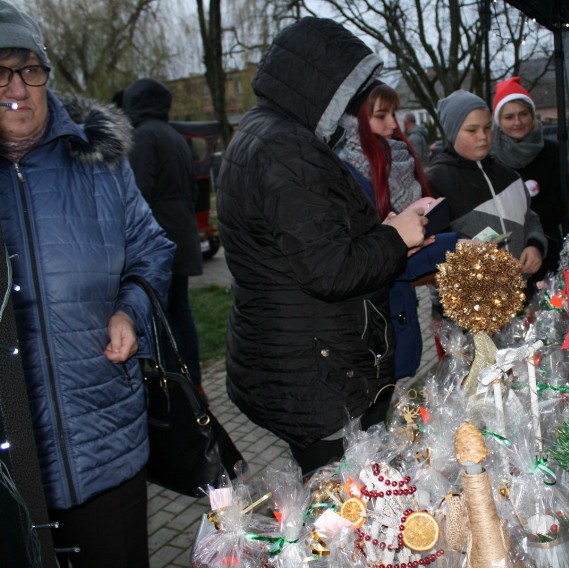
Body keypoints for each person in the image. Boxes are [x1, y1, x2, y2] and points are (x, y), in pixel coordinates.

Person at [0, 2, 175, 566]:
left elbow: (152, 249)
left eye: (30, 70)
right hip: (12, 470)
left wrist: (130, 312)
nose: (18, 87)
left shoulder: (98, 163)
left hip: (106, 445)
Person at [216, 17, 427, 476]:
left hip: (290, 359)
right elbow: (330, 269)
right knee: (346, 512)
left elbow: (304, 244)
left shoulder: (260, 134)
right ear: (324, 85)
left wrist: (380, 235)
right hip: (316, 374)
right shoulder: (286, 149)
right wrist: (396, 236)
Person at [338, 82, 458, 381]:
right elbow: (360, 256)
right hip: (370, 315)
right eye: (381, 115)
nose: (393, 123)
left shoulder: (399, 157)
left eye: (394, 112)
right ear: (355, 120)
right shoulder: (346, 170)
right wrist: (447, 245)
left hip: (402, 300)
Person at [122, 78, 205, 392]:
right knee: (180, 316)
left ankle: (174, 385)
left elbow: (137, 194)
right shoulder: (174, 135)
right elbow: (193, 187)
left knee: (163, 321)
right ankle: (193, 380)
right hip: (181, 234)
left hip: (158, 240)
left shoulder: (143, 136)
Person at [429, 90, 546, 283]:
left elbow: (531, 220)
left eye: (488, 127)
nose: (483, 136)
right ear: (452, 132)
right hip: (471, 302)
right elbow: (433, 246)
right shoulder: (436, 182)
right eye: (472, 130)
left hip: (521, 291)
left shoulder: (510, 176)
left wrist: (535, 245)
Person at [491, 76, 569, 285]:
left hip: (547, 247)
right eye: (509, 117)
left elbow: (559, 204)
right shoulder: (490, 157)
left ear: (533, 115)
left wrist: (532, 236)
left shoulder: (553, 152)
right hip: (503, 250)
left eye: (523, 114)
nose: (517, 122)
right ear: (499, 121)